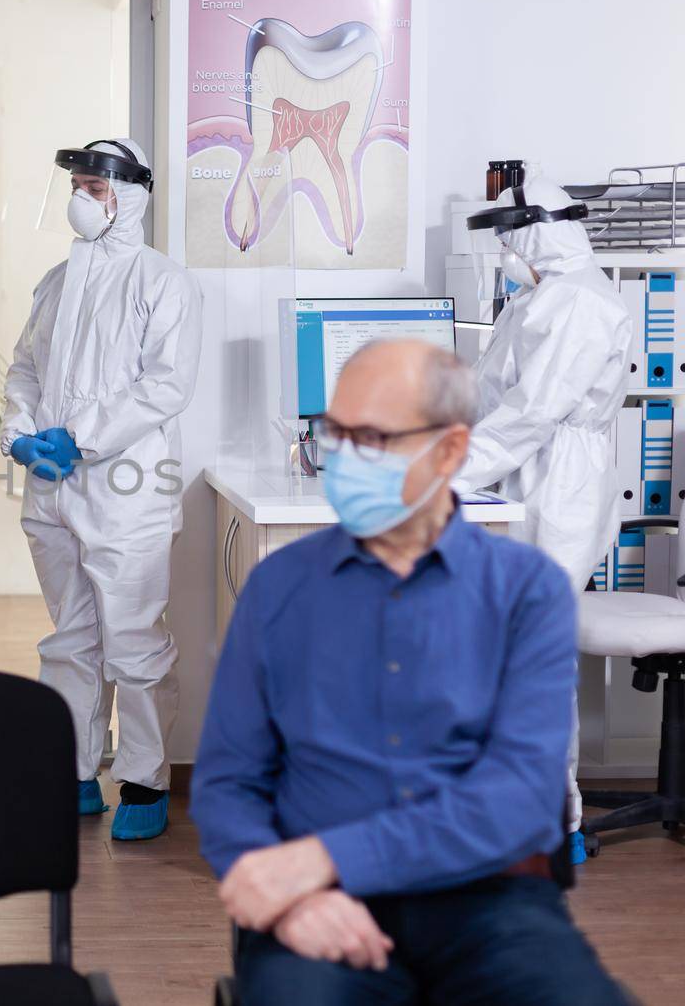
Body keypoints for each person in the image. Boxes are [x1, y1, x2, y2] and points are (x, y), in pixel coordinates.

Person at [192, 340, 626, 1006]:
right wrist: (289, 900)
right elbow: (227, 782)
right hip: (316, 907)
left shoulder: (525, 590)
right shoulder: (278, 587)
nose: (341, 456)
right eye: (333, 432)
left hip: (489, 906)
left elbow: (517, 798)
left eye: (370, 437)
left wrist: (327, 856)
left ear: (450, 451)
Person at [0, 138, 202, 842]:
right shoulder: (56, 281)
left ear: (133, 195)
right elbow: (25, 366)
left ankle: (144, 777)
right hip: (53, 490)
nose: (83, 200)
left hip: (126, 488)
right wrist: (20, 433)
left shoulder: (163, 282)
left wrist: (79, 436)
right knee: (69, 638)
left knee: (135, 639)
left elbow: (166, 385)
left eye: (97, 188)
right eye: (79, 186)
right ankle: (76, 768)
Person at [455, 175, 633, 858]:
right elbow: (492, 396)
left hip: (560, 486)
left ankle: (557, 824)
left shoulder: (581, 302)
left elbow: (532, 412)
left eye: (509, 235)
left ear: (539, 230)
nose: (503, 249)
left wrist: (448, 470)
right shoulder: (537, 298)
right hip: (523, 476)